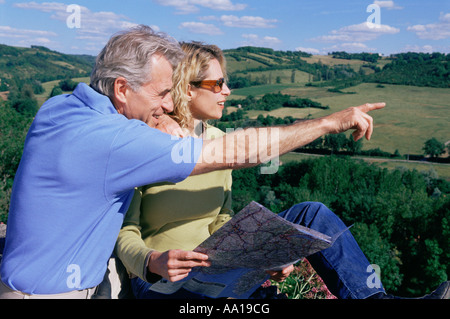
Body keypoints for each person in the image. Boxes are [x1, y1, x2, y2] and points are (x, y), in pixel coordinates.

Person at [0, 24, 389, 299]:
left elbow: (223, 214)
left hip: (88, 285)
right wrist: (329, 122)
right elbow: (239, 152)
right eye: (162, 94)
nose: (168, 105)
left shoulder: (59, 109)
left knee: (310, 214)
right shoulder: (123, 142)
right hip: (57, 293)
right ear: (122, 88)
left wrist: (265, 251)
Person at [114, 42, 449, 300]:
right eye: (217, 85)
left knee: (312, 213)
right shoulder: (147, 145)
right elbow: (123, 232)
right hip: (163, 285)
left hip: (217, 272)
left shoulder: (219, 143)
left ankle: (375, 298)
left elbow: (221, 221)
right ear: (187, 88)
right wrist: (154, 261)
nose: (227, 92)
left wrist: (266, 252)